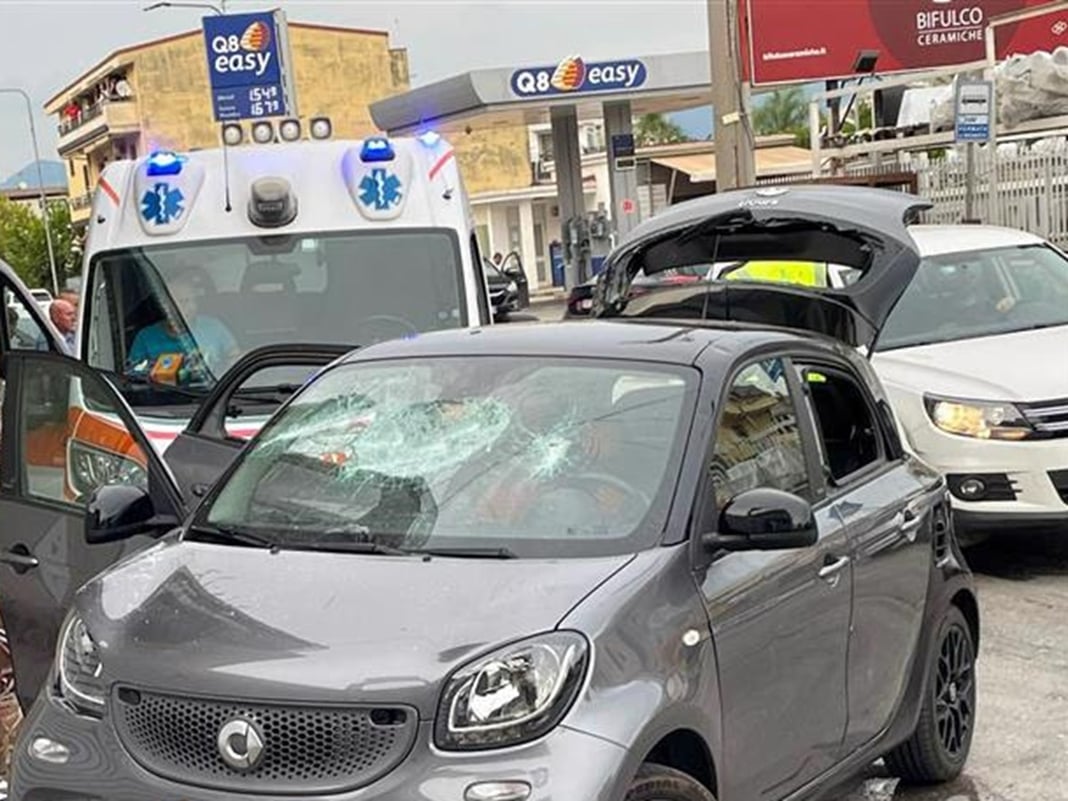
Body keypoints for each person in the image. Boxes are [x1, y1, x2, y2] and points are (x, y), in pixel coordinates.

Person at [127, 269, 238, 382]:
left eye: (190, 301)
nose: (189, 307)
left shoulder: (214, 327)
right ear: (163, 305)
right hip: (165, 398)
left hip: (214, 394)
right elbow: (134, 377)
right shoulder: (146, 337)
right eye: (180, 301)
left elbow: (235, 358)